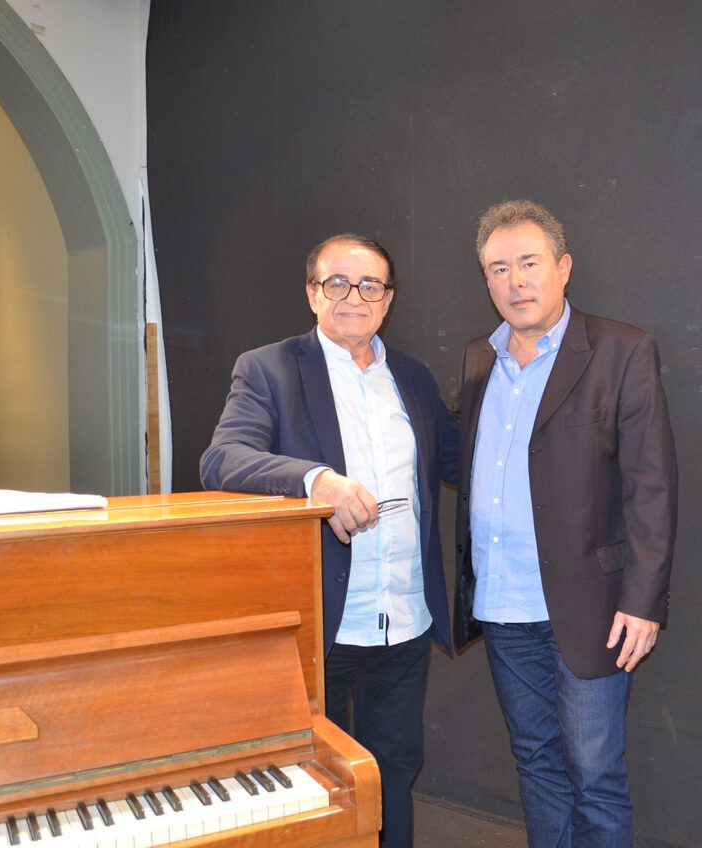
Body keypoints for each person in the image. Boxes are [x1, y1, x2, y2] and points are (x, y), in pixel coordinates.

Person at [200, 233, 457, 848]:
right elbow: (222, 459)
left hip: (403, 620)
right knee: (313, 782)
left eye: (370, 286)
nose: (354, 297)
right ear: (313, 294)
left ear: (387, 300)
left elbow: (460, 461)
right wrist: (317, 481)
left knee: (393, 772)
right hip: (321, 622)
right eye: (337, 283)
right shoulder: (268, 369)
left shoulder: (413, 379)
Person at [452, 200, 678, 847]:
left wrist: (643, 601)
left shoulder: (621, 350)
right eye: (499, 269)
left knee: (594, 775)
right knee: (537, 764)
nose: (515, 282)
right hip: (503, 605)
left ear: (564, 267)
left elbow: (652, 486)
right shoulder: (478, 359)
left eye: (529, 263)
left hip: (591, 607)